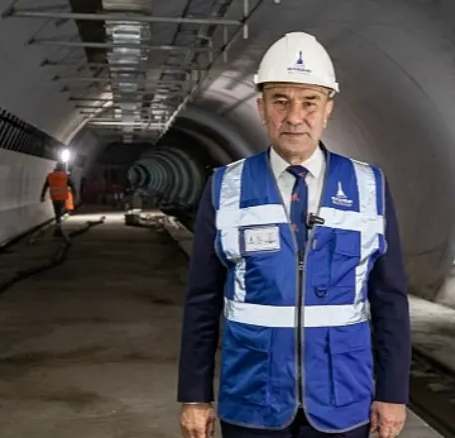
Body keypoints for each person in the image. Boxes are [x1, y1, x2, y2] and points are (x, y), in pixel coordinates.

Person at [176, 31, 411, 438]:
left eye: (309, 101)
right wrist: (194, 396)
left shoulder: (368, 185)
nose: (294, 116)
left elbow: (389, 299)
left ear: (328, 110)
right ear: (261, 109)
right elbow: (202, 299)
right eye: (280, 101)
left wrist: (393, 393)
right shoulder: (225, 186)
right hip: (252, 396)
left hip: (342, 398)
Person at [40, 162, 76, 233]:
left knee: (56, 211)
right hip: (62, 197)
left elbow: (45, 186)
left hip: (54, 196)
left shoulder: (50, 175)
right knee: (60, 210)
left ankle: (58, 223)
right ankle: (58, 225)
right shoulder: (65, 176)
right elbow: (72, 185)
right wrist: (74, 194)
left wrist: (42, 196)